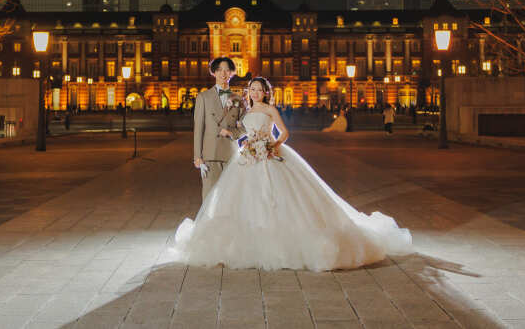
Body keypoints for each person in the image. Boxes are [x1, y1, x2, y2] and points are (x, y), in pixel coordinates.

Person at [172, 77, 412, 271]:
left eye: (259, 90)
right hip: (248, 156)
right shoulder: (246, 110)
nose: (255, 93)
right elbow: (242, 131)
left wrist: (271, 145)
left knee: (280, 197)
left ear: (265, 93)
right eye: (252, 89)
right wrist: (236, 137)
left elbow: (284, 132)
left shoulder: (270, 109)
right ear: (248, 92)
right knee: (243, 198)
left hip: (269, 154)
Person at [193, 57, 247, 200]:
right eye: (219, 70)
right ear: (213, 72)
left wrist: (232, 133)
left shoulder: (239, 99)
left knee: (230, 198)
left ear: (232, 73)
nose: (223, 74)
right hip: (210, 155)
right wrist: (197, 156)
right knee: (209, 197)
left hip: (231, 154)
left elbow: (246, 126)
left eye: (227, 70)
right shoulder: (203, 97)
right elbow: (198, 129)